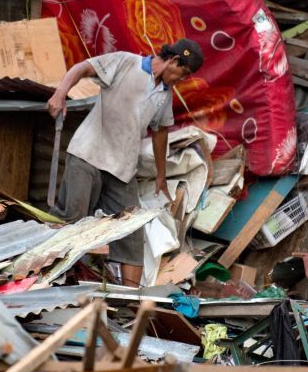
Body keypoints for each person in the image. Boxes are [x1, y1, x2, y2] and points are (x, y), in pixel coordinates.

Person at [46, 39, 205, 287]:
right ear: (173, 61)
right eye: (183, 74)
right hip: (89, 154)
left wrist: (161, 176)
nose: (181, 80)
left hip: (122, 169)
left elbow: (161, 132)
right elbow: (82, 68)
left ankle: (130, 302)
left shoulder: (164, 94)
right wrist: (60, 94)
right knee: (71, 221)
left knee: (132, 232)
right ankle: (47, 279)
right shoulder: (125, 62)